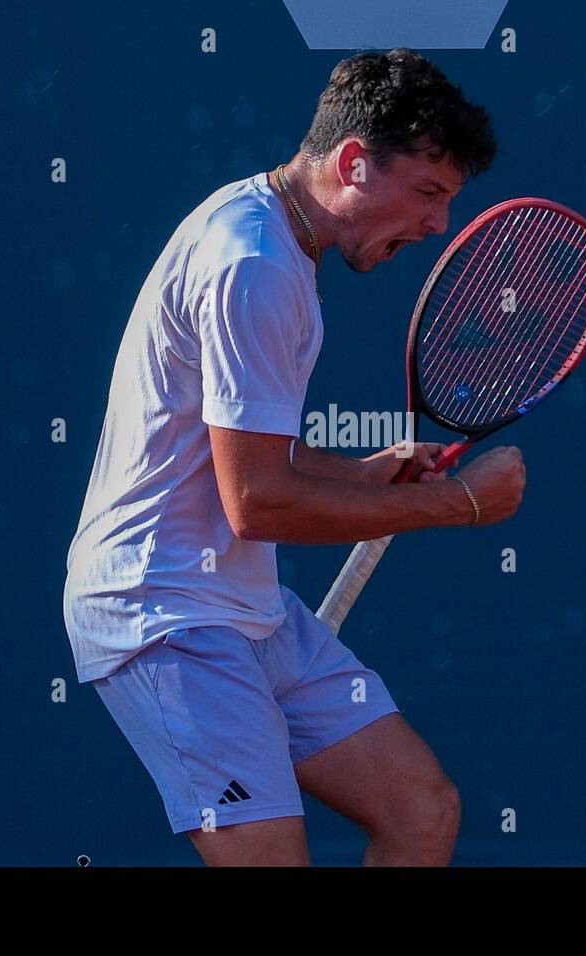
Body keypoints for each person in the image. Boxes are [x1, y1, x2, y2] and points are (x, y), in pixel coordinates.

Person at [63, 47, 524, 866]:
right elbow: (258, 503)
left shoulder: (272, 239)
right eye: (427, 192)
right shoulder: (255, 264)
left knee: (420, 811)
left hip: (246, 609)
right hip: (162, 614)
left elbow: (243, 450)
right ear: (352, 163)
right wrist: (462, 505)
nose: (437, 225)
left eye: (449, 201)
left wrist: (355, 475)